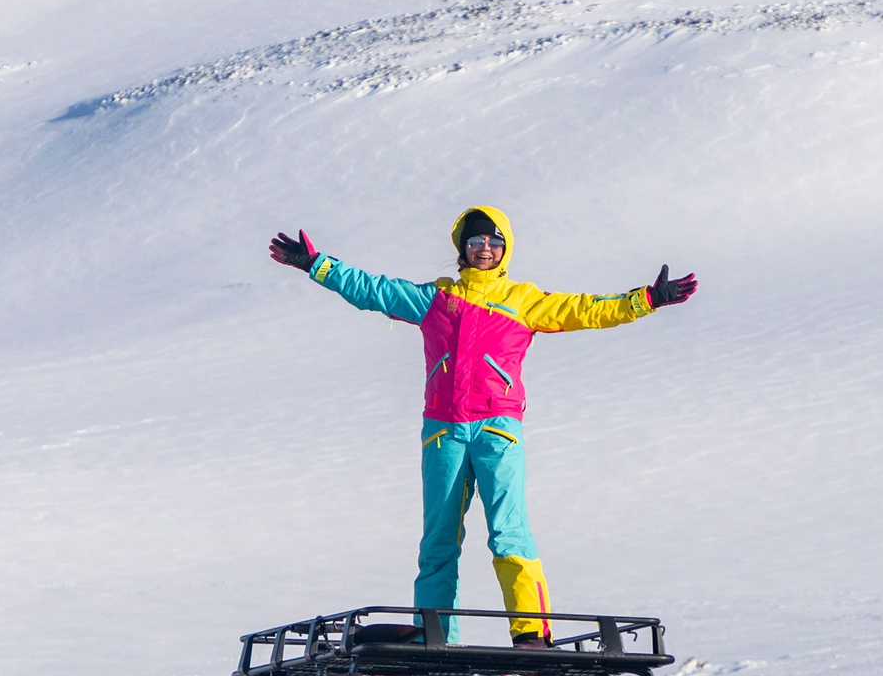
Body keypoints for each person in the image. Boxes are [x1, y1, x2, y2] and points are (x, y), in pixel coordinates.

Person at [267, 207, 696, 645]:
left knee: (510, 534)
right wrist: (316, 264)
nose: (484, 248)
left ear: (505, 249)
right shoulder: (435, 299)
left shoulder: (525, 301)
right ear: (462, 248)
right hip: (443, 433)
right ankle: (434, 636)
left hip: (498, 431)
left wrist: (647, 299)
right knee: (437, 543)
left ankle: (531, 633)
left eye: (493, 241)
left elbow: (586, 309)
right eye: (475, 241)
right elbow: (371, 289)